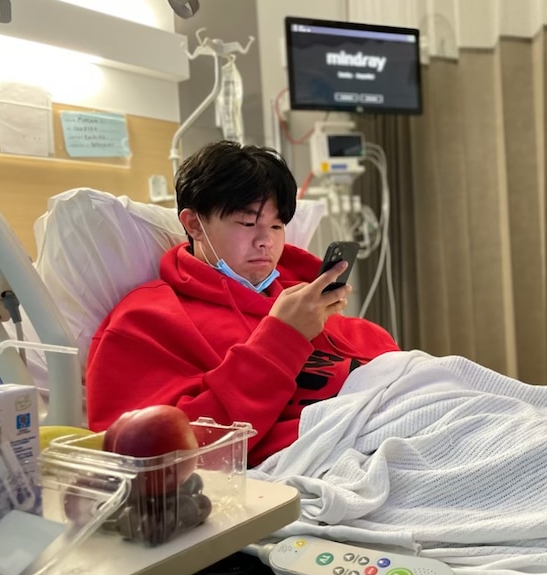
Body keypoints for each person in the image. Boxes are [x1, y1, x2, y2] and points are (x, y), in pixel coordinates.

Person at [86, 141, 400, 466]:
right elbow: (155, 454)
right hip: (320, 453)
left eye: (277, 226)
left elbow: (389, 366)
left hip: (390, 419)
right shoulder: (145, 320)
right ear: (194, 224)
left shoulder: (299, 292)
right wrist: (282, 340)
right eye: (248, 223)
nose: (266, 240)